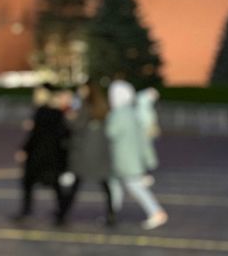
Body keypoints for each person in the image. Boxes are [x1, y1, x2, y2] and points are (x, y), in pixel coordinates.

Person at [106, 78, 168, 230]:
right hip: (132, 158)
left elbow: (109, 134)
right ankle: (112, 212)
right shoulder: (134, 113)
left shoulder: (118, 114)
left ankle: (155, 211)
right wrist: (148, 160)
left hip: (122, 158)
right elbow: (143, 139)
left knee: (130, 186)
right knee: (119, 185)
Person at [57, 80, 115, 225]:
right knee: (105, 184)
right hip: (100, 152)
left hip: (85, 152)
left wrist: (66, 114)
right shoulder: (102, 106)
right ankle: (111, 214)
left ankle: (63, 214)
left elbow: (76, 125)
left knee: (75, 184)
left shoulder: (85, 105)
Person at [13, 86, 70, 223]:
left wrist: (24, 150)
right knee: (55, 186)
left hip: (39, 155)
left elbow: (35, 135)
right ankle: (61, 214)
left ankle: (26, 211)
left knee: (29, 183)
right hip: (54, 154)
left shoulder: (40, 112)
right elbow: (65, 133)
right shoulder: (58, 113)